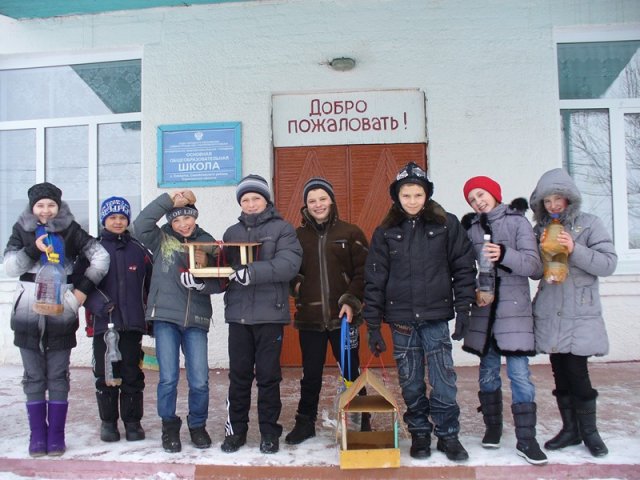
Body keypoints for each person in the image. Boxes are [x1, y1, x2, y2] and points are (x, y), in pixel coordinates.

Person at [363, 162, 475, 462]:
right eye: (406, 195)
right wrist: (373, 326)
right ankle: (421, 433)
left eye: (418, 194)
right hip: (401, 322)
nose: (412, 201)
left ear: (427, 195)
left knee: (443, 382)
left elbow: (463, 268)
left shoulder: (446, 224)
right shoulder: (386, 231)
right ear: (397, 197)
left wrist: (463, 309)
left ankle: (449, 434)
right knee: (410, 382)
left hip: (435, 318)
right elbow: (374, 279)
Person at [3, 182, 110, 457]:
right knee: (33, 376)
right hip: (28, 311)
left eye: (51, 205)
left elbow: (101, 257)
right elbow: (9, 267)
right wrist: (32, 250)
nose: (46, 210)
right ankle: (37, 435)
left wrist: (79, 294)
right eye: (40, 205)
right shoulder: (21, 230)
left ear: (58, 206)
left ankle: (57, 436)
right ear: (32, 207)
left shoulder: (72, 230)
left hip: (61, 311)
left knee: (58, 375)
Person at [529, 168, 617, 458]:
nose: (553, 205)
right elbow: (533, 271)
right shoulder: (539, 230)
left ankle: (590, 432)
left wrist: (574, 248)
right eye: (547, 201)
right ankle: (570, 430)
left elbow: (607, 264)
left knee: (578, 372)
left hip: (579, 312)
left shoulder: (590, 225)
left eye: (558, 199)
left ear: (569, 199)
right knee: (559, 372)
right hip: (552, 309)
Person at [460, 176, 548, 465]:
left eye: (481, 194)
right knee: (487, 373)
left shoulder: (518, 222)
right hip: (485, 313)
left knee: (520, 375)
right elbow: (464, 267)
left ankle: (527, 439)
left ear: (494, 193)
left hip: (514, 313)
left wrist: (505, 254)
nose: (478, 201)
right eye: (472, 199)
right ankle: (493, 428)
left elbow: (535, 267)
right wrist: (474, 289)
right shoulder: (472, 228)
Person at [132, 190, 223, 453]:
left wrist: (203, 284)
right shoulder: (161, 239)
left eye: (188, 218)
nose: (183, 224)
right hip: (165, 318)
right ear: (170, 223)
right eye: (177, 220)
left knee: (199, 379)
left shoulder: (207, 242)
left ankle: (197, 426)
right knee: (168, 378)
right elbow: (140, 225)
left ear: (195, 218)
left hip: (196, 318)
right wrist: (168, 201)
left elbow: (221, 280)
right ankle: (169, 427)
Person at [220, 174, 302, 455]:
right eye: (246, 199)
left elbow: (288, 265)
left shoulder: (283, 229)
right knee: (239, 377)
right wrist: (201, 279)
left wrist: (251, 272)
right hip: (239, 317)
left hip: (270, 316)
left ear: (266, 200)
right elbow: (224, 272)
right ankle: (236, 432)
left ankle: (269, 433)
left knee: (268, 377)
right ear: (240, 203)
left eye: (256, 198)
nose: (251, 203)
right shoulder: (231, 233)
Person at [285, 177, 370, 445]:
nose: (318, 204)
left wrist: (351, 300)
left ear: (331, 201)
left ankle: (361, 421)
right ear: (306, 206)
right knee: (310, 374)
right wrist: (298, 288)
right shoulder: (296, 237)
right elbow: (289, 271)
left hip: (343, 318)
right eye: (312, 200)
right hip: (310, 319)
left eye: (322, 198)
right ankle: (305, 422)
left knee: (350, 371)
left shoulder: (351, 232)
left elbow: (363, 272)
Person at [82, 196, 153, 443]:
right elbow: (81, 285)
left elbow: (152, 286)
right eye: (112, 217)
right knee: (106, 374)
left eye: (122, 217)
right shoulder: (92, 250)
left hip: (132, 324)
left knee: (132, 374)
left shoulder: (139, 250)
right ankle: (109, 423)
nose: (118, 221)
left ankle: (133, 423)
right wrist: (99, 304)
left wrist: (150, 317)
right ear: (104, 220)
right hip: (103, 324)